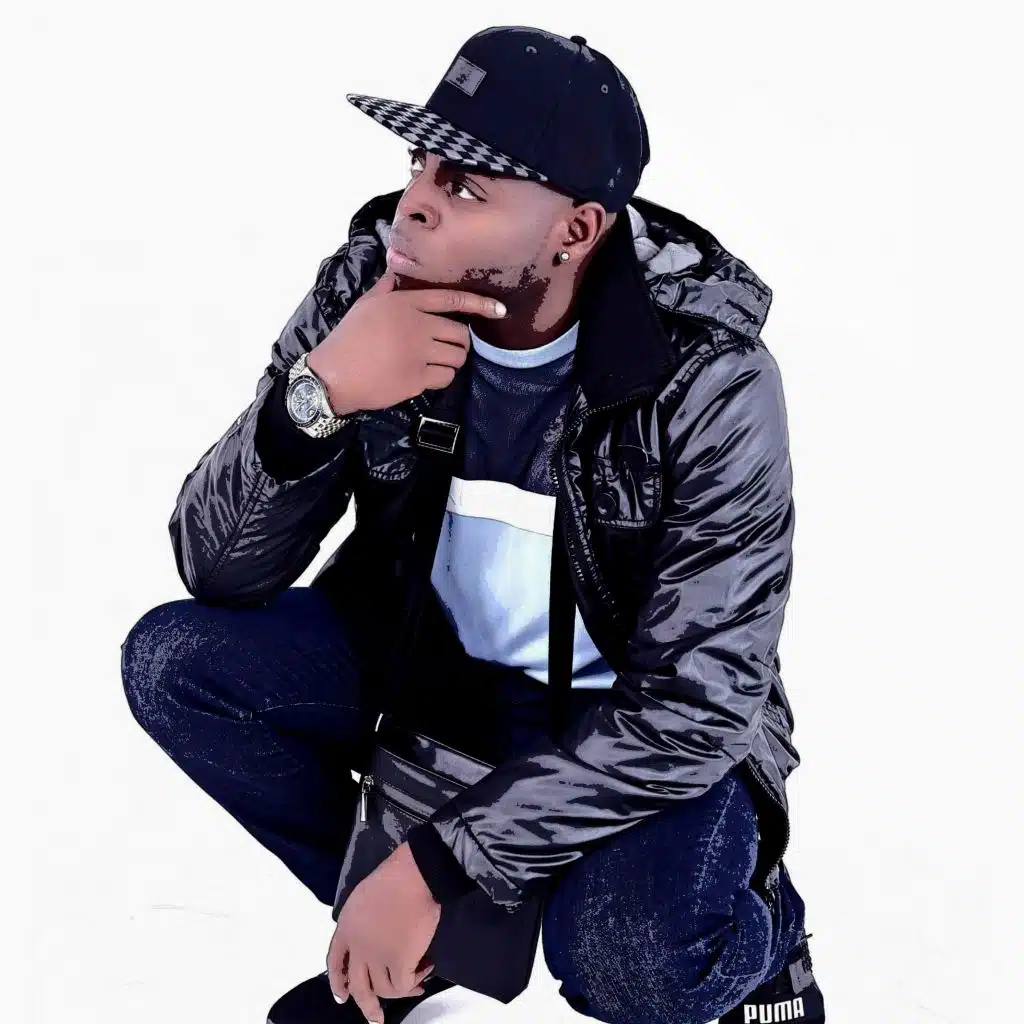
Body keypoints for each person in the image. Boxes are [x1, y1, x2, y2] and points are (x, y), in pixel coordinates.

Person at [120, 24, 826, 1024]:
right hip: (439, 675)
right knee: (176, 665)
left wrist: (435, 864)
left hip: (629, 720)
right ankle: (427, 943)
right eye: (420, 162)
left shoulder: (709, 378)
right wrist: (317, 397)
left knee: (633, 960)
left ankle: (762, 939)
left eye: (465, 186)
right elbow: (214, 567)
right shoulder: (368, 288)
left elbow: (698, 705)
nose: (414, 202)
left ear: (574, 229)